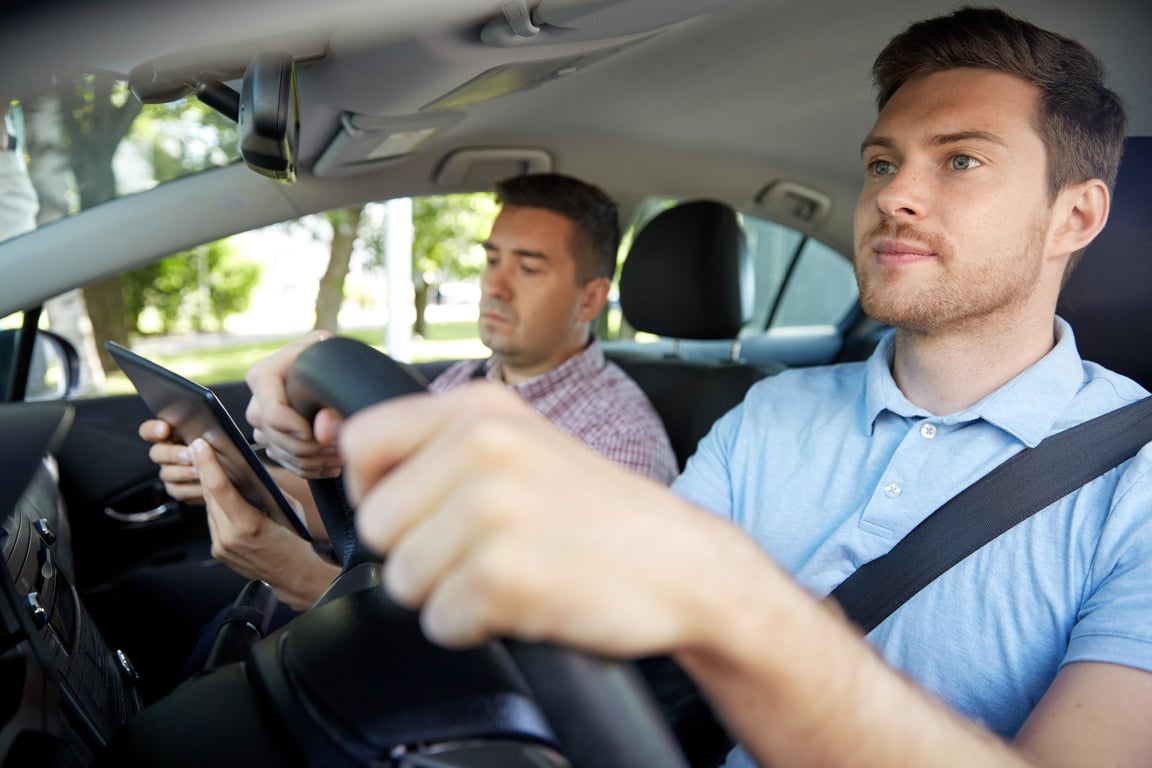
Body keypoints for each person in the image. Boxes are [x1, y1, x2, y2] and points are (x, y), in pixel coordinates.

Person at [281, 7, 1152, 768]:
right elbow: (598, 629)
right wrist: (316, 508)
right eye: (883, 164)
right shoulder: (771, 412)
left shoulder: (1137, 484)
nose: (895, 198)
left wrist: (735, 601)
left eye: (960, 162)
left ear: (1075, 216)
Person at [141, 172, 677, 612]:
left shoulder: (618, 444)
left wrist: (309, 583)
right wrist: (240, 476)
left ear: (590, 301)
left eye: (528, 267)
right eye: (493, 259)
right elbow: (366, 506)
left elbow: (543, 646)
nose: (495, 284)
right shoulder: (464, 381)